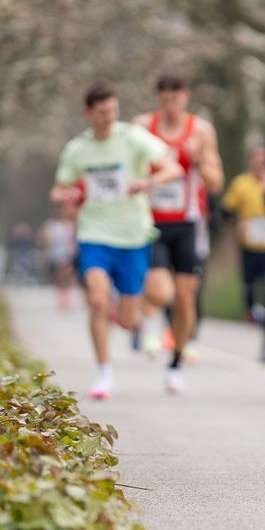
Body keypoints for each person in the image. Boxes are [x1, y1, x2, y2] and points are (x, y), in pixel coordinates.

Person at [51, 82, 182, 400]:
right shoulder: (77, 149)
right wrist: (66, 195)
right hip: (94, 233)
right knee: (96, 299)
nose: (108, 117)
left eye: (112, 111)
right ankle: (104, 372)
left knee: (125, 321)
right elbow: (58, 189)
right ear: (89, 114)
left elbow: (173, 168)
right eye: (101, 112)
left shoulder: (133, 138)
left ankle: (137, 318)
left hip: (133, 235)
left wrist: (147, 182)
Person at [135, 74, 225, 394]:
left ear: (186, 97)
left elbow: (216, 183)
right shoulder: (143, 127)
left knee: (186, 296)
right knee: (162, 291)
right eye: (165, 98)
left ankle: (175, 363)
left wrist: (198, 158)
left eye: (176, 97)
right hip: (153, 220)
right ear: (159, 98)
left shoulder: (201, 131)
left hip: (189, 221)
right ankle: (148, 318)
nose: (171, 104)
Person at [221, 144, 265, 362]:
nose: (261, 163)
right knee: (248, 291)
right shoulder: (241, 183)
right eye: (257, 159)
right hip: (249, 247)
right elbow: (225, 211)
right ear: (251, 161)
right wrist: (238, 223)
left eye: (264, 159)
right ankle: (252, 310)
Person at [40, 205, 78, 313]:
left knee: (66, 274)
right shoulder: (51, 225)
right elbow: (44, 237)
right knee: (59, 276)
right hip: (55, 253)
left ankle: (66, 296)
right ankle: (61, 295)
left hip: (68, 253)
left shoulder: (70, 225)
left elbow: (75, 237)